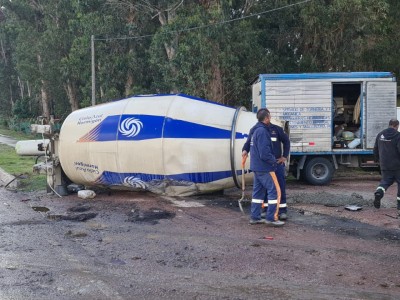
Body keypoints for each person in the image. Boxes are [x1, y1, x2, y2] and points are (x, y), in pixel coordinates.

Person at [242, 108, 290, 220]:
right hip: (267, 164)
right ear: (267, 118)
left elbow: (286, 141)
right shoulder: (257, 130)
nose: (270, 117)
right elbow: (249, 143)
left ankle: (281, 210)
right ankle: (269, 213)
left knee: (279, 187)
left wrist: (284, 156)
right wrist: (245, 150)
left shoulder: (276, 129)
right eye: (269, 116)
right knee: (271, 189)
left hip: (275, 164)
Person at [373, 118, 400, 216]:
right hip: (397, 165)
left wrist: (377, 161)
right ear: (396, 125)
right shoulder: (398, 135)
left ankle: (379, 193)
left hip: (384, 164)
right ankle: (399, 206)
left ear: (389, 124)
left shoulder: (380, 134)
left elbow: (375, 149)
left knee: (385, 182)